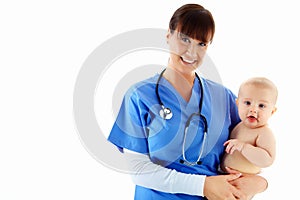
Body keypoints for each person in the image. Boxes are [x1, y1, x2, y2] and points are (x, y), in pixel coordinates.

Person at [108, 3, 268, 200]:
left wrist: (260, 183)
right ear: (168, 36)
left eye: (202, 43)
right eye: (184, 39)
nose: (192, 52)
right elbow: (139, 170)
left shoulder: (224, 98)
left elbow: (249, 151)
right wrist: (202, 186)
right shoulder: (140, 96)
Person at [221, 77, 277, 175]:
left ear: (272, 111)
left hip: (244, 181)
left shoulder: (264, 132)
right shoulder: (238, 126)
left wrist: (244, 147)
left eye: (261, 106)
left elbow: (267, 160)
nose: (253, 109)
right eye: (247, 103)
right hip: (223, 176)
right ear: (237, 104)